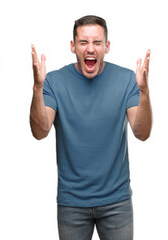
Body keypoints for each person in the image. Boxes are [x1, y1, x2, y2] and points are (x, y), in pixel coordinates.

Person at [30, 15, 152, 240]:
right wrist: (37, 88)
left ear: (107, 46)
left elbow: (142, 133)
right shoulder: (54, 81)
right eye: (83, 42)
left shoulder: (127, 79)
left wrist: (144, 93)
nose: (90, 48)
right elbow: (40, 131)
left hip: (117, 202)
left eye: (97, 42)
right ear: (73, 46)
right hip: (72, 203)